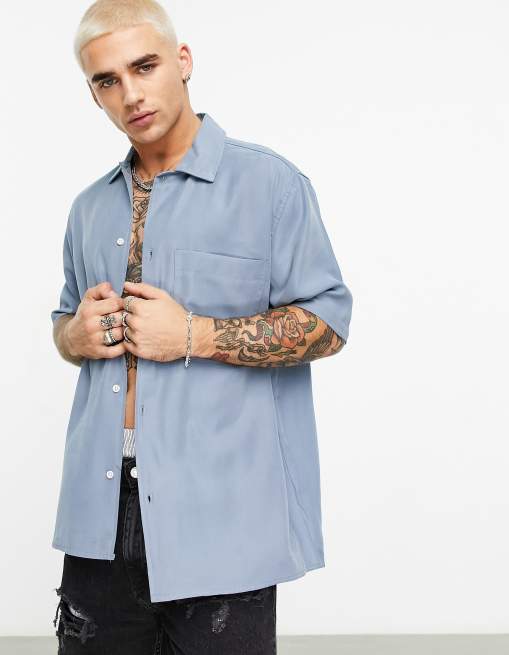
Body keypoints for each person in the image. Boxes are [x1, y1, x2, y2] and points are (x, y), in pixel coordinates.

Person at [50, 0, 353, 652]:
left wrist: (193, 335)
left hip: (223, 513)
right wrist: (73, 336)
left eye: (145, 66)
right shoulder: (88, 208)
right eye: (108, 80)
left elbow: (328, 321)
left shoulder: (269, 185)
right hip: (100, 512)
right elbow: (64, 320)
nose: (131, 94)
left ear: (182, 61)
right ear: (94, 94)